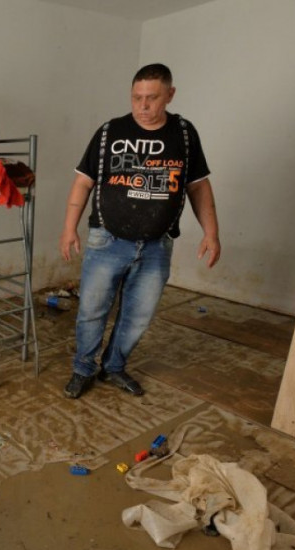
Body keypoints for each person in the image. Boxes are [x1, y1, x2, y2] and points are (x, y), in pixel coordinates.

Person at [58, 63, 220, 399]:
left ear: (170, 95)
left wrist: (211, 232)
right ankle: (83, 368)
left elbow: (198, 186)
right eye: (136, 98)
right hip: (107, 239)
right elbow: (83, 182)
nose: (143, 106)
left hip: (157, 245)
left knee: (137, 316)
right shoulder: (110, 132)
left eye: (152, 98)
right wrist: (68, 228)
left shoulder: (184, 134)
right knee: (92, 311)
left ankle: (114, 367)